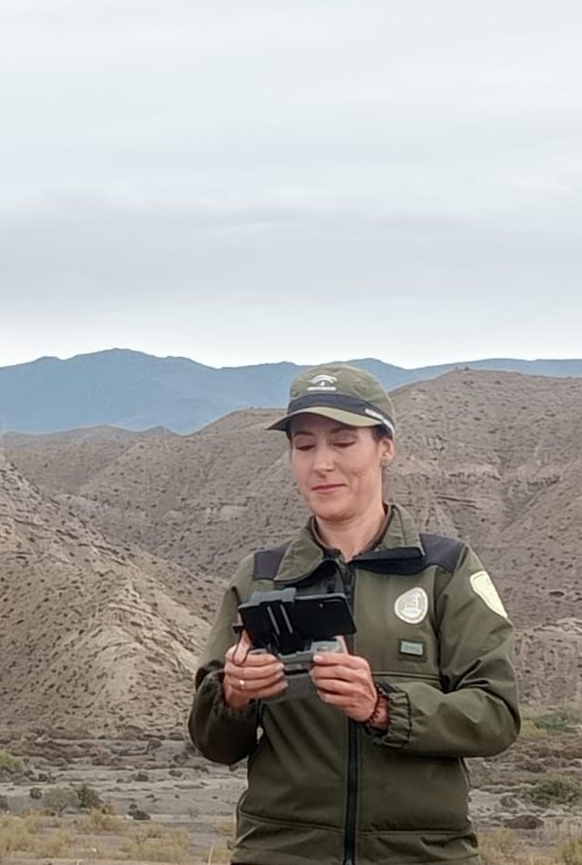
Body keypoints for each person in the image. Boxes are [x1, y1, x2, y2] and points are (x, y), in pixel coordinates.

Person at [188, 363, 519, 865]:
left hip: (421, 854)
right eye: (304, 446)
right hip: (282, 852)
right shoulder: (260, 577)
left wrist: (383, 708)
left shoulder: (444, 570)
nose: (322, 463)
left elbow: (496, 715)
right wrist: (233, 694)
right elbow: (215, 744)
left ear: (385, 447)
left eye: (343, 442)